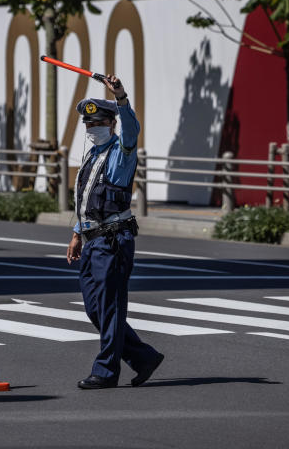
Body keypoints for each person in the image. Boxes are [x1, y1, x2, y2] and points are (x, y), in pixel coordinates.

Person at [66, 74, 164, 389]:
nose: (91, 129)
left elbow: (132, 129)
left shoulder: (121, 153)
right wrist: (77, 234)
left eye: (98, 123)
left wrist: (121, 97)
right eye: (87, 125)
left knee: (109, 308)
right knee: (95, 308)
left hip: (114, 240)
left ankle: (106, 371)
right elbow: (85, 199)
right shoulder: (90, 156)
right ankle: (144, 357)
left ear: (111, 124)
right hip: (92, 240)